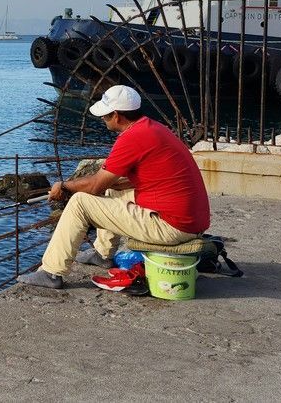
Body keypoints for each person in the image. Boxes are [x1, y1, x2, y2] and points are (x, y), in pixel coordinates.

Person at [16, 85, 210, 289]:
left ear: (117, 115)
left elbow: (93, 187)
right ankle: (102, 254)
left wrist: (63, 186)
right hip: (189, 221)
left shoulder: (132, 137)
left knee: (80, 202)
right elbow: (122, 182)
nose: (103, 119)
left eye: (105, 115)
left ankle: (51, 272)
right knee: (115, 188)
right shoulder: (152, 128)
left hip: (172, 227)